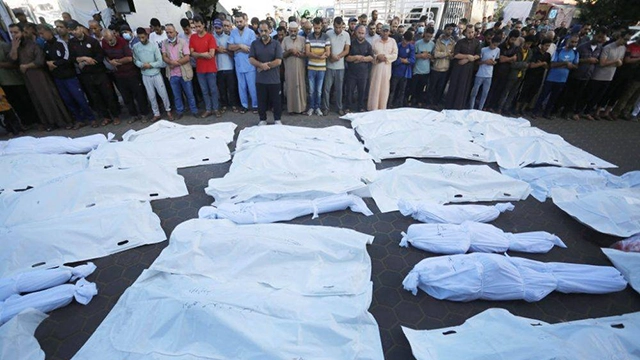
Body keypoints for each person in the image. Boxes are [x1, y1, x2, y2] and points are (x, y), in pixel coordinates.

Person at [9, 23, 72, 131]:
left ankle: (61, 121)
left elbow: (40, 61)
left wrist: (27, 66)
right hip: (28, 78)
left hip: (40, 77)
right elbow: (12, 60)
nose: (14, 35)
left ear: (23, 33)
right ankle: (49, 123)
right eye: (11, 33)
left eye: (16, 32)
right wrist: (14, 48)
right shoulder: (16, 47)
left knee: (49, 98)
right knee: (38, 100)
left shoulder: (33, 45)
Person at [39, 24, 95, 129]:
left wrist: (54, 63)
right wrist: (48, 64)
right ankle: (79, 119)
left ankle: (91, 118)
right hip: (58, 78)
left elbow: (67, 58)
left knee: (79, 98)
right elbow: (45, 60)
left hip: (69, 76)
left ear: (49, 32)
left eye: (42, 33)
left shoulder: (61, 43)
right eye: (40, 34)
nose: (41, 36)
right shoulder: (46, 46)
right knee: (68, 100)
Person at [102, 28, 148, 123]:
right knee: (126, 96)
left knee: (139, 94)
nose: (109, 42)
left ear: (114, 35)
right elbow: (105, 55)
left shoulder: (122, 42)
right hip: (119, 74)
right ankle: (133, 115)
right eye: (107, 40)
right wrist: (110, 61)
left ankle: (144, 114)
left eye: (111, 39)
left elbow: (129, 58)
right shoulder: (104, 42)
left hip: (131, 72)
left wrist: (117, 61)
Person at [560, 27, 605, 120]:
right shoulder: (582, 46)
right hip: (576, 74)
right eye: (598, 37)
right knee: (569, 94)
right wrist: (587, 60)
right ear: (594, 35)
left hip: (587, 76)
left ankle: (571, 112)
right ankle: (562, 110)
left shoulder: (600, 48)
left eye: (602, 38)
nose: (599, 40)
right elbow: (574, 60)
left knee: (578, 95)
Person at [532, 35, 579, 119]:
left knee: (554, 97)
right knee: (543, 95)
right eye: (572, 42)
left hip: (562, 79)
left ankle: (546, 113)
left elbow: (576, 66)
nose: (574, 44)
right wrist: (565, 64)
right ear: (568, 41)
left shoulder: (575, 53)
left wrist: (570, 65)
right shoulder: (559, 51)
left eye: (575, 42)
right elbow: (552, 64)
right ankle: (535, 111)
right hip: (551, 77)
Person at [133, 27, 173, 122]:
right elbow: (135, 60)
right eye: (139, 38)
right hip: (145, 75)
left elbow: (159, 61)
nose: (141, 40)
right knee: (151, 95)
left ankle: (168, 110)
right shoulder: (136, 47)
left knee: (163, 93)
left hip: (156, 73)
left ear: (146, 35)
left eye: (143, 37)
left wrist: (150, 65)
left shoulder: (153, 46)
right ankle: (156, 113)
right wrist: (141, 65)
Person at [249, 20, 284, 126]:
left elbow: (278, 61)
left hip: (274, 79)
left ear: (270, 30)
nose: (263, 33)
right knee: (261, 101)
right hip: (260, 79)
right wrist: (260, 65)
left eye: (265, 30)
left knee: (276, 101)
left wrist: (265, 66)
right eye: (261, 31)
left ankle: (277, 119)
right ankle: (262, 119)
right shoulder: (254, 44)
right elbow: (251, 59)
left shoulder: (276, 44)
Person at [0, 35, 39, 127]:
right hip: (3, 82)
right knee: (15, 104)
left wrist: (1, 64)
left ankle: (36, 121)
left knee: (25, 101)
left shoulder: (4, 46)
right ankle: (26, 123)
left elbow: (14, 63)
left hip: (14, 79)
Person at [162, 24, 198, 119]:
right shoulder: (164, 43)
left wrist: (175, 63)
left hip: (184, 73)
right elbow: (164, 56)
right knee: (177, 95)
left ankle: (194, 110)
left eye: (171, 32)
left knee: (190, 94)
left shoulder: (182, 42)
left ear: (175, 32)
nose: (169, 34)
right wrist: (170, 62)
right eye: (167, 32)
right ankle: (180, 111)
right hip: (172, 74)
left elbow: (187, 57)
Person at [189, 16, 222, 118]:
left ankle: (216, 108)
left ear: (204, 25)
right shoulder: (193, 38)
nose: (197, 29)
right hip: (200, 69)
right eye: (195, 26)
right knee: (204, 90)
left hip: (211, 68)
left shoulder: (210, 37)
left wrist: (197, 54)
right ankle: (208, 109)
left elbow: (211, 54)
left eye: (199, 26)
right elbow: (191, 53)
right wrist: (203, 54)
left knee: (213, 89)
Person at [596, 31, 632, 120]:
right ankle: (597, 111)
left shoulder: (623, 48)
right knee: (606, 93)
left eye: (628, 40)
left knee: (615, 94)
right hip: (607, 73)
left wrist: (617, 62)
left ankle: (606, 112)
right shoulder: (609, 46)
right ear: (620, 37)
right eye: (625, 39)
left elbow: (620, 61)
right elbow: (603, 63)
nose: (626, 41)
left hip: (615, 73)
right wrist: (615, 62)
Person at [228, 13, 258, 114]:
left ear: (245, 21)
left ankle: (255, 105)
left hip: (249, 64)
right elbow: (230, 47)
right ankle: (244, 105)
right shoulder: (233, 32)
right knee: (241, 86)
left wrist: (237, 48)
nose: (239, 23)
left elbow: (251, 49)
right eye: (237, 22)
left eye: (241, 21)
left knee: (252, 86)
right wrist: (241, 46)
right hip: (239, 64)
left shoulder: (250, 33)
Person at [445, 26, 480, 110]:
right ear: (465, 33)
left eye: (472, 32)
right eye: (469, 32)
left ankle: (459, 107)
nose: (471, 34)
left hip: (468, 69)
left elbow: (478, 55)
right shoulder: (460, 42)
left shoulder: (477, 42)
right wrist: (467, 56)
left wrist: (467, 59)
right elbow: (456, 54)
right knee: (454, 86)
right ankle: (450, 106)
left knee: (463, 88)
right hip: (458, 68)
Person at [485, 30, 520, 112]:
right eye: (512, 39)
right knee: (492, 89)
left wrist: (507, 59)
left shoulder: (514, 47)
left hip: (507, 72)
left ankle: (493, 106)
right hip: (497, 71)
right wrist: (510, 58)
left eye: (515, 40)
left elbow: (514, 59)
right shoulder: (501, 46)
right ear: (509, 37)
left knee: (500, 90)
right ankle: (486, 105)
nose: (513, 41)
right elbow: (500, 59)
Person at [499, 34, 533, 115]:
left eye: (530, 44)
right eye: (527, 43)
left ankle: (506, 108)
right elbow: (513, 64)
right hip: (512, 75)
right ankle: (499, 107)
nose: (528, 46)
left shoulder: (530, 52)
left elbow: (528, 64)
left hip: (521, 75)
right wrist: (523, 65)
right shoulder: (516, 50)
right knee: (505, 92)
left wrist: (523, 65)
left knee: (513, 93)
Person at [515, 38, 551, 115]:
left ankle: (523, 109)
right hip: (530, 75)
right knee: (524, 92)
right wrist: (542, 64)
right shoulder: (534, 52)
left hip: (539, 77)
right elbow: (531, 65)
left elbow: (548, 66)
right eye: (546, 45)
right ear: (541, 45)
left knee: (532, 93)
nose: (547, 47)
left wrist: (541, 64)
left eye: (548, 46)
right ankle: (516, 108)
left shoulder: (547, 55)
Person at [323, 17, 350, 116]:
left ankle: (339, 108)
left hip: (340, 67)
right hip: (329, 65)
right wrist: (330, 56)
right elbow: (325, 47)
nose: (338, 30)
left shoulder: (346, 35)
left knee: (339, 89)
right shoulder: (328, 33)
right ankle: (326, 108)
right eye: (336, 27)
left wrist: (338, 56)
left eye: (340, 27)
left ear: (343, 26)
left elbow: (347, 50)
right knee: (327, 88)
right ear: (333, 25)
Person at [367, 24, 398, 110]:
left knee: (384, 88)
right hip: (376, 68)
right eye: (383, 31)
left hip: (386, 68)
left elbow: (395, 55)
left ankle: (382, 108)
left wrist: (385, 57)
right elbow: (371, 54)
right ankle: (372, 107)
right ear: (380, 31)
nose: (385, 33)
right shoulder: (375, 41)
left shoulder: (392, 42)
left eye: (387, 31)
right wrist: (377, 57)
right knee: (374, 87)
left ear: (389, 32)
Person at [305, 17, 330, 116]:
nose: (317, 30)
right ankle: (311, 107)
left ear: (321, 26)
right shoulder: (309, 37)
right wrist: (319, 56)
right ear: (313, 26)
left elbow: (328, 52)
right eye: (315, 28)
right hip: (311, 68)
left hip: (321, 68)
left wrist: (316, 55)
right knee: (311, 90)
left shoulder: (326, 37)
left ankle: (318, 107)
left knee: (319, 90)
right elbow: (307, 52)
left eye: (318, 28)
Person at [345, 24, 373, 113]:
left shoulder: (368, 45)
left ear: (365, 34)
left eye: (363, 33)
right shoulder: (351, 44)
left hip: (363, 73)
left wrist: (362, 58)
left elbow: (371, 57)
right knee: (349, 91)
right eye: (359, 33)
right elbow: (347, 58)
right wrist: (355, 57)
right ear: (356, 32)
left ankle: (360, 107)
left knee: (362, 91)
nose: (361, 35)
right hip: (351, 73)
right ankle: (348, 107)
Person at [213, 19, 239, 113]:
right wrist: (216, 50)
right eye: (216, 28)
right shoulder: (212, 38)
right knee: (221, 88)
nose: (218, 30)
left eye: (219, 28)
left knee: (232, 88)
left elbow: (232, 52)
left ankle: (233, 104)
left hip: (229, 67)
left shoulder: (228, 37)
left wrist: (225, 51)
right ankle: (224, 105)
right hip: (218, 67)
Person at [282, 21, 307, 114]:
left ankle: (302, 109)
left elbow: (306, 54)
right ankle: (291, 109)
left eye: (295, 31)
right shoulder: (285, 40)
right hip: (289, 68)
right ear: (288, 30)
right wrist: (290, 51)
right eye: (291, 31)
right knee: (290, 87)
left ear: (297, 30)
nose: (293, 33)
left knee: (300, 87)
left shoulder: (302, 39)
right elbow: (282, 55)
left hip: (300, 68)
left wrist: (298, 53)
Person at [469, 36, 500, 110]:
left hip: (489, 75)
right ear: (491, 42)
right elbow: (477, 62)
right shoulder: (483, 50)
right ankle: (471, 107)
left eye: (496, 45)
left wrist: (494, 62)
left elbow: (497, 60)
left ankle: (480, 108)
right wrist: (485, 62)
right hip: (480, 73)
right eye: (494, 45)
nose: (494, 47)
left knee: (485, 93)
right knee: (474, 92)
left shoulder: (497, 50)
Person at [613, 36, 640, 120]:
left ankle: (626, 112)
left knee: (635, 96)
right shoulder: (631, 46)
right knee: (627, 94)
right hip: (633, 74)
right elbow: (627, 60)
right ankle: (616, 111)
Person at [430, 23, 455, 108]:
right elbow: (436, 54)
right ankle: (429, 102)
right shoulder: (439, 40)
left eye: (451, 29)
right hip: (436, 67)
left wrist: (445, 54)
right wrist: (447, 53)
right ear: (445, 30)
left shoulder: (452, 43)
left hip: (445, 69)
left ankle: (436, 103)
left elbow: (452, 56)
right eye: (448, 29)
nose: (450, 31)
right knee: (432, 87)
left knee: (440, 88)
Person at [389, 31, 415, 108]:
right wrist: (402, 60)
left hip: (405, 73)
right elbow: (394, 59)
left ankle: (399, 106)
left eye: (408, 41)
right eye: (405, 40)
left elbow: (412, 60)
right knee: (392, 90)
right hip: (396, 72)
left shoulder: (411, 47)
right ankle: (389, 104)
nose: (405, 42)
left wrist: (402, 60)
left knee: (402, 91)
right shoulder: (398, 46)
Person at [411, 27, 435, 107]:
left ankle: (419, 101)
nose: (428, 38)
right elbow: (412, 55)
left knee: (422, 88)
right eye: (427, 36)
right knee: (414, 87)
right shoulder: (418, 43)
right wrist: (421, 55)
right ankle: (412, 100)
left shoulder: (432, 44)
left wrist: (430, 57)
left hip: (426, 70)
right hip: (417, 70)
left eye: (430, 37)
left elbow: (433, 57)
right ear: (424, 33)